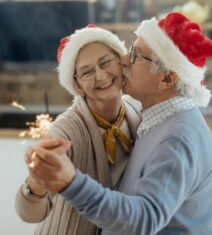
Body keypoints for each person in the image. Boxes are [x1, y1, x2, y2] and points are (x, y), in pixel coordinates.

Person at [28, 12, 212, 234]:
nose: (124, 59)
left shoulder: (176, 138)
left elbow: (144, 219)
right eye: (86, 72)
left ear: (167, 79)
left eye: (136, 55)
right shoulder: (156, 119)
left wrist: (71, 182)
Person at [15, 25, 142, 235]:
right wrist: (35, 182)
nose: (101, 76)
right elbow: (29, 214)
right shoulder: (66, 130)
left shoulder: (137, 110)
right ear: (77, 85)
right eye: (87, 72)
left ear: (120, 61)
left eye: (105, 63)